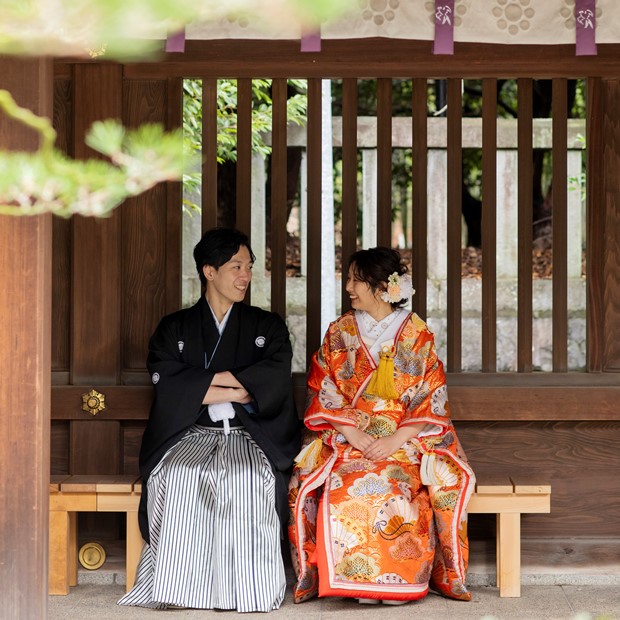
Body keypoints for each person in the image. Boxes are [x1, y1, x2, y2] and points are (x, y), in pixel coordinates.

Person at [119, 227, 301, 612]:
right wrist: (236, 388)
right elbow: (167, 385)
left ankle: (247, 590)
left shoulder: (266, 326)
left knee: (249, 480)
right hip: (191, 433)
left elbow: (271, 380)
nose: (245, 276)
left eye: (249, 267)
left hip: (249, 434)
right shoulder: (175, 328)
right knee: (180, 476)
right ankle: (181, 588)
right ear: (209, 271)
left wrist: (198, 384)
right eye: (236, 266)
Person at [288, 247, 475, 605]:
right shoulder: (340, 331)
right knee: (331, 484)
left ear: (380, 286)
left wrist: (395, 440)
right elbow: (322, 387)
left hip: (404, 439)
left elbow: (430, 395)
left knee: (394, 486)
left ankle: (399, 582)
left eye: (356, 280)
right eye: (349, 279)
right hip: (347, 436)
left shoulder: (417, 334)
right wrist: (353, 434)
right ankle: (344, 580)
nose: (349, 287)